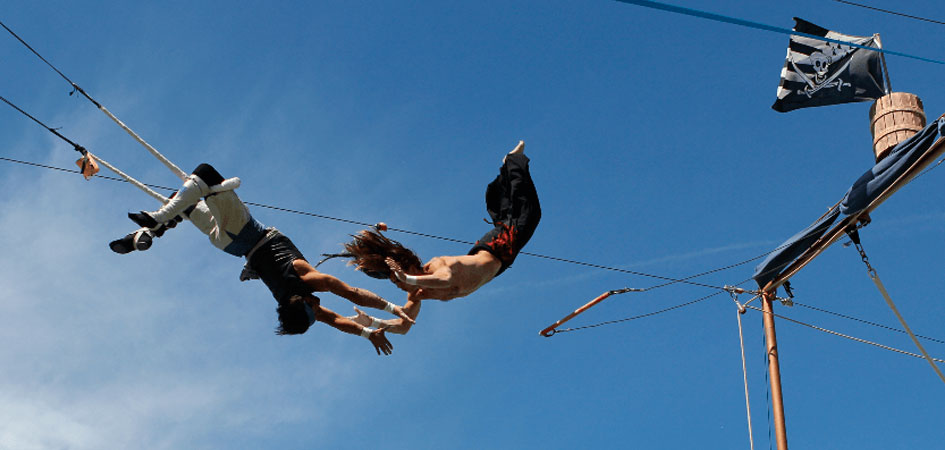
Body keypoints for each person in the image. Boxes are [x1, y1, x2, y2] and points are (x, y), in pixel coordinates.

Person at [113, 163, 412, 355]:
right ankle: (143, 235)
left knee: (206, 175)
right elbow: (336, 320)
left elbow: (351, 293)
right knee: (188, 202)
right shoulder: (288, 301)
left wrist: (393, 307)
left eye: (314, 306)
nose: (319, 307)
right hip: (229, 247)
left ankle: (155, 220)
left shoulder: (306, 279)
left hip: (244, 232)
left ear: (304, 303)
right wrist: (367, 332)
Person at [334, 141, 540, 334]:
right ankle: (503, 178)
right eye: (395, 282)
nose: (398, 284)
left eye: (398, 278)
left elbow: (446, 279)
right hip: (498, 262)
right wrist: (372, 324)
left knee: (529, 215)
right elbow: (404, 326)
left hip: (497, 249)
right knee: (511, 216)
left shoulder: (435, 266)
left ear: (412, 267)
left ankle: (512, 162)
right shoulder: (417, 294)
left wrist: (407, 278)